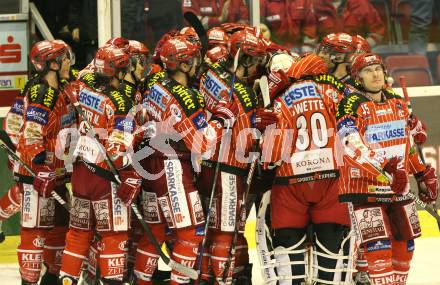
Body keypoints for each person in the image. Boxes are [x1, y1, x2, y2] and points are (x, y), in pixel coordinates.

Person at [133, 35, 238, 285]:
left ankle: (141, 281)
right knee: (192, 233)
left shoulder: (156, 84)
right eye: (192, 59)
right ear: (181, 64)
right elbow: (201, 144)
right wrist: (220, 119)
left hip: (150, 165)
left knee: (156, 230)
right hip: (173, 165)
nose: (197, 63)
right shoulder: (186, 97)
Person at [336, 53, 438, 285]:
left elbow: (407, 147)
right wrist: (385, 170)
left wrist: (422, 174)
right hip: (365, 190)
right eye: (367, 70)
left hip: (398, 188)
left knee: (406, 246)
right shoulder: (351, 104)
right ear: (358, 77)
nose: (374, 74)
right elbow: (351, 145)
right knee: (378, 247)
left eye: (378, 69)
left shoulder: (397, 104)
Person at [58, 46, 142, 285]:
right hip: (106, 178)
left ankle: (67, 280)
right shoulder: (120, 100)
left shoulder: (82, 86)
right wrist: (130, 173)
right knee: (114, 234)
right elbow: (119, 150)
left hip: (81, 174)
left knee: (78, 233)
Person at [14, 40, 75, 285]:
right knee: (35, 233)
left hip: (56, 175)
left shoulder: (62, 89)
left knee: (60, 228)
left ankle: (51, 278)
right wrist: (39, 169)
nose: (69, 61)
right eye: (65, 57)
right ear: (52, 63)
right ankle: (29, 281)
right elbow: (31, 135)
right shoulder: (43, 92)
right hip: (36, 178)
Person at [313, 0, 385, 47]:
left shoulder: (362, 4)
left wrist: (362, 47)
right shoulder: (314, 6)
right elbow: (309, 40)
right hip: (326, 59)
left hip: (357, 57)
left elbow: (377, 33)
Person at [182, 0, 249, 29]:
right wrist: (218, 20)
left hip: (229, 42)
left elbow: (244, 21)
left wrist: (232, 30)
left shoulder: (236, 1)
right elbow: (191, 21)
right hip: (200, 42)